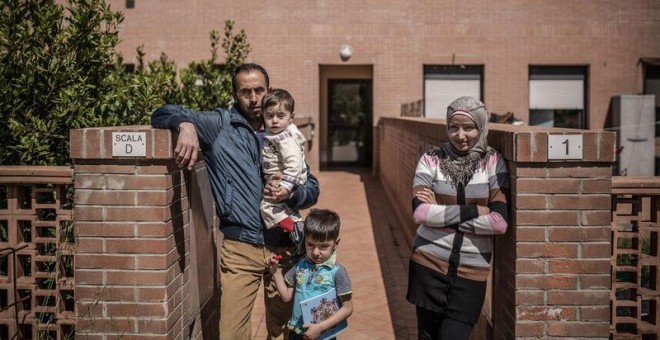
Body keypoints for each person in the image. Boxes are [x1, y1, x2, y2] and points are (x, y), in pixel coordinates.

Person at [151, 63, 320, 339]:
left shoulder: (284, 129)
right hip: (241, 249)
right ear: (235, 94)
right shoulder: (220, 124)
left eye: (259, 90)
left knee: (283, 332)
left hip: (285, 249)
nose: (253, 98)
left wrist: (292, 194)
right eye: (245, 92)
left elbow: (312, 188)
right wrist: (186, 125)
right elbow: (161, 112)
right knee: (231, 333)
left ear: (269, 89)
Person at [406, 96, 509, 339]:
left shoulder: (493, 163)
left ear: (481, 127)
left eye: (468, 127)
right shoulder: (431, 160)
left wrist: (439, 212)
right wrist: (476, 210)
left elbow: (500, 222)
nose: (460, 135)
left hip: (470, 276)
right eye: (454, 127)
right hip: (427, 266)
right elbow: (420, 213)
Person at [267, 209, 353, 340]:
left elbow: (347, 308)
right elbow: (286, 296)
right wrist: (275, 272)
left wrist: (320, 327)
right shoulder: (299, 266)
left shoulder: (338, 272)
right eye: (310, 245)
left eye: (323, 246)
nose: (316, 252)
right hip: (296, 332)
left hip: (324, 334)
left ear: (336, 244)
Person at [260, 88, 308, 235]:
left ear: (291, 117)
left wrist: (286, 186)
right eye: (269, 116)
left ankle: (294, 229)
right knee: (287, 209)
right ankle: (299, 228)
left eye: (280, 116)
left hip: (288, 179)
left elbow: (294, 163)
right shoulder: (274, 133)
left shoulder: (286, 138)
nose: (274, 120)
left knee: (267, 207)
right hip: (283, 178)